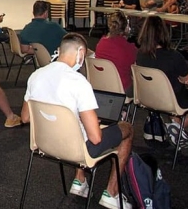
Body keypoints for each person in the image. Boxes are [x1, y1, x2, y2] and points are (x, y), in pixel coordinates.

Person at [21, 33, 133, 209]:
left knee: (77, 124)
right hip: (76, 150)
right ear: (80, 52)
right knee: (126, 128)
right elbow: (96, 138)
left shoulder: (36, 75)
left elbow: (25, 117)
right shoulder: (79, 82)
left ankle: (79, 181)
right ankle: (112, 194)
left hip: (43, 143)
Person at [136, 16, 188, 149]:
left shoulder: (140, 55)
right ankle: (177, 127)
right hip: (171, 101)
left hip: (147, 98)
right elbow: (186, 79)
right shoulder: (174, 56)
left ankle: (176, 124)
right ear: (164, 32)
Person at [95, 11, 137, 96]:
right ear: (126, 27)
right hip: (122, 88)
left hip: (101, 85)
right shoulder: (130, 48)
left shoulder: (101, 43)